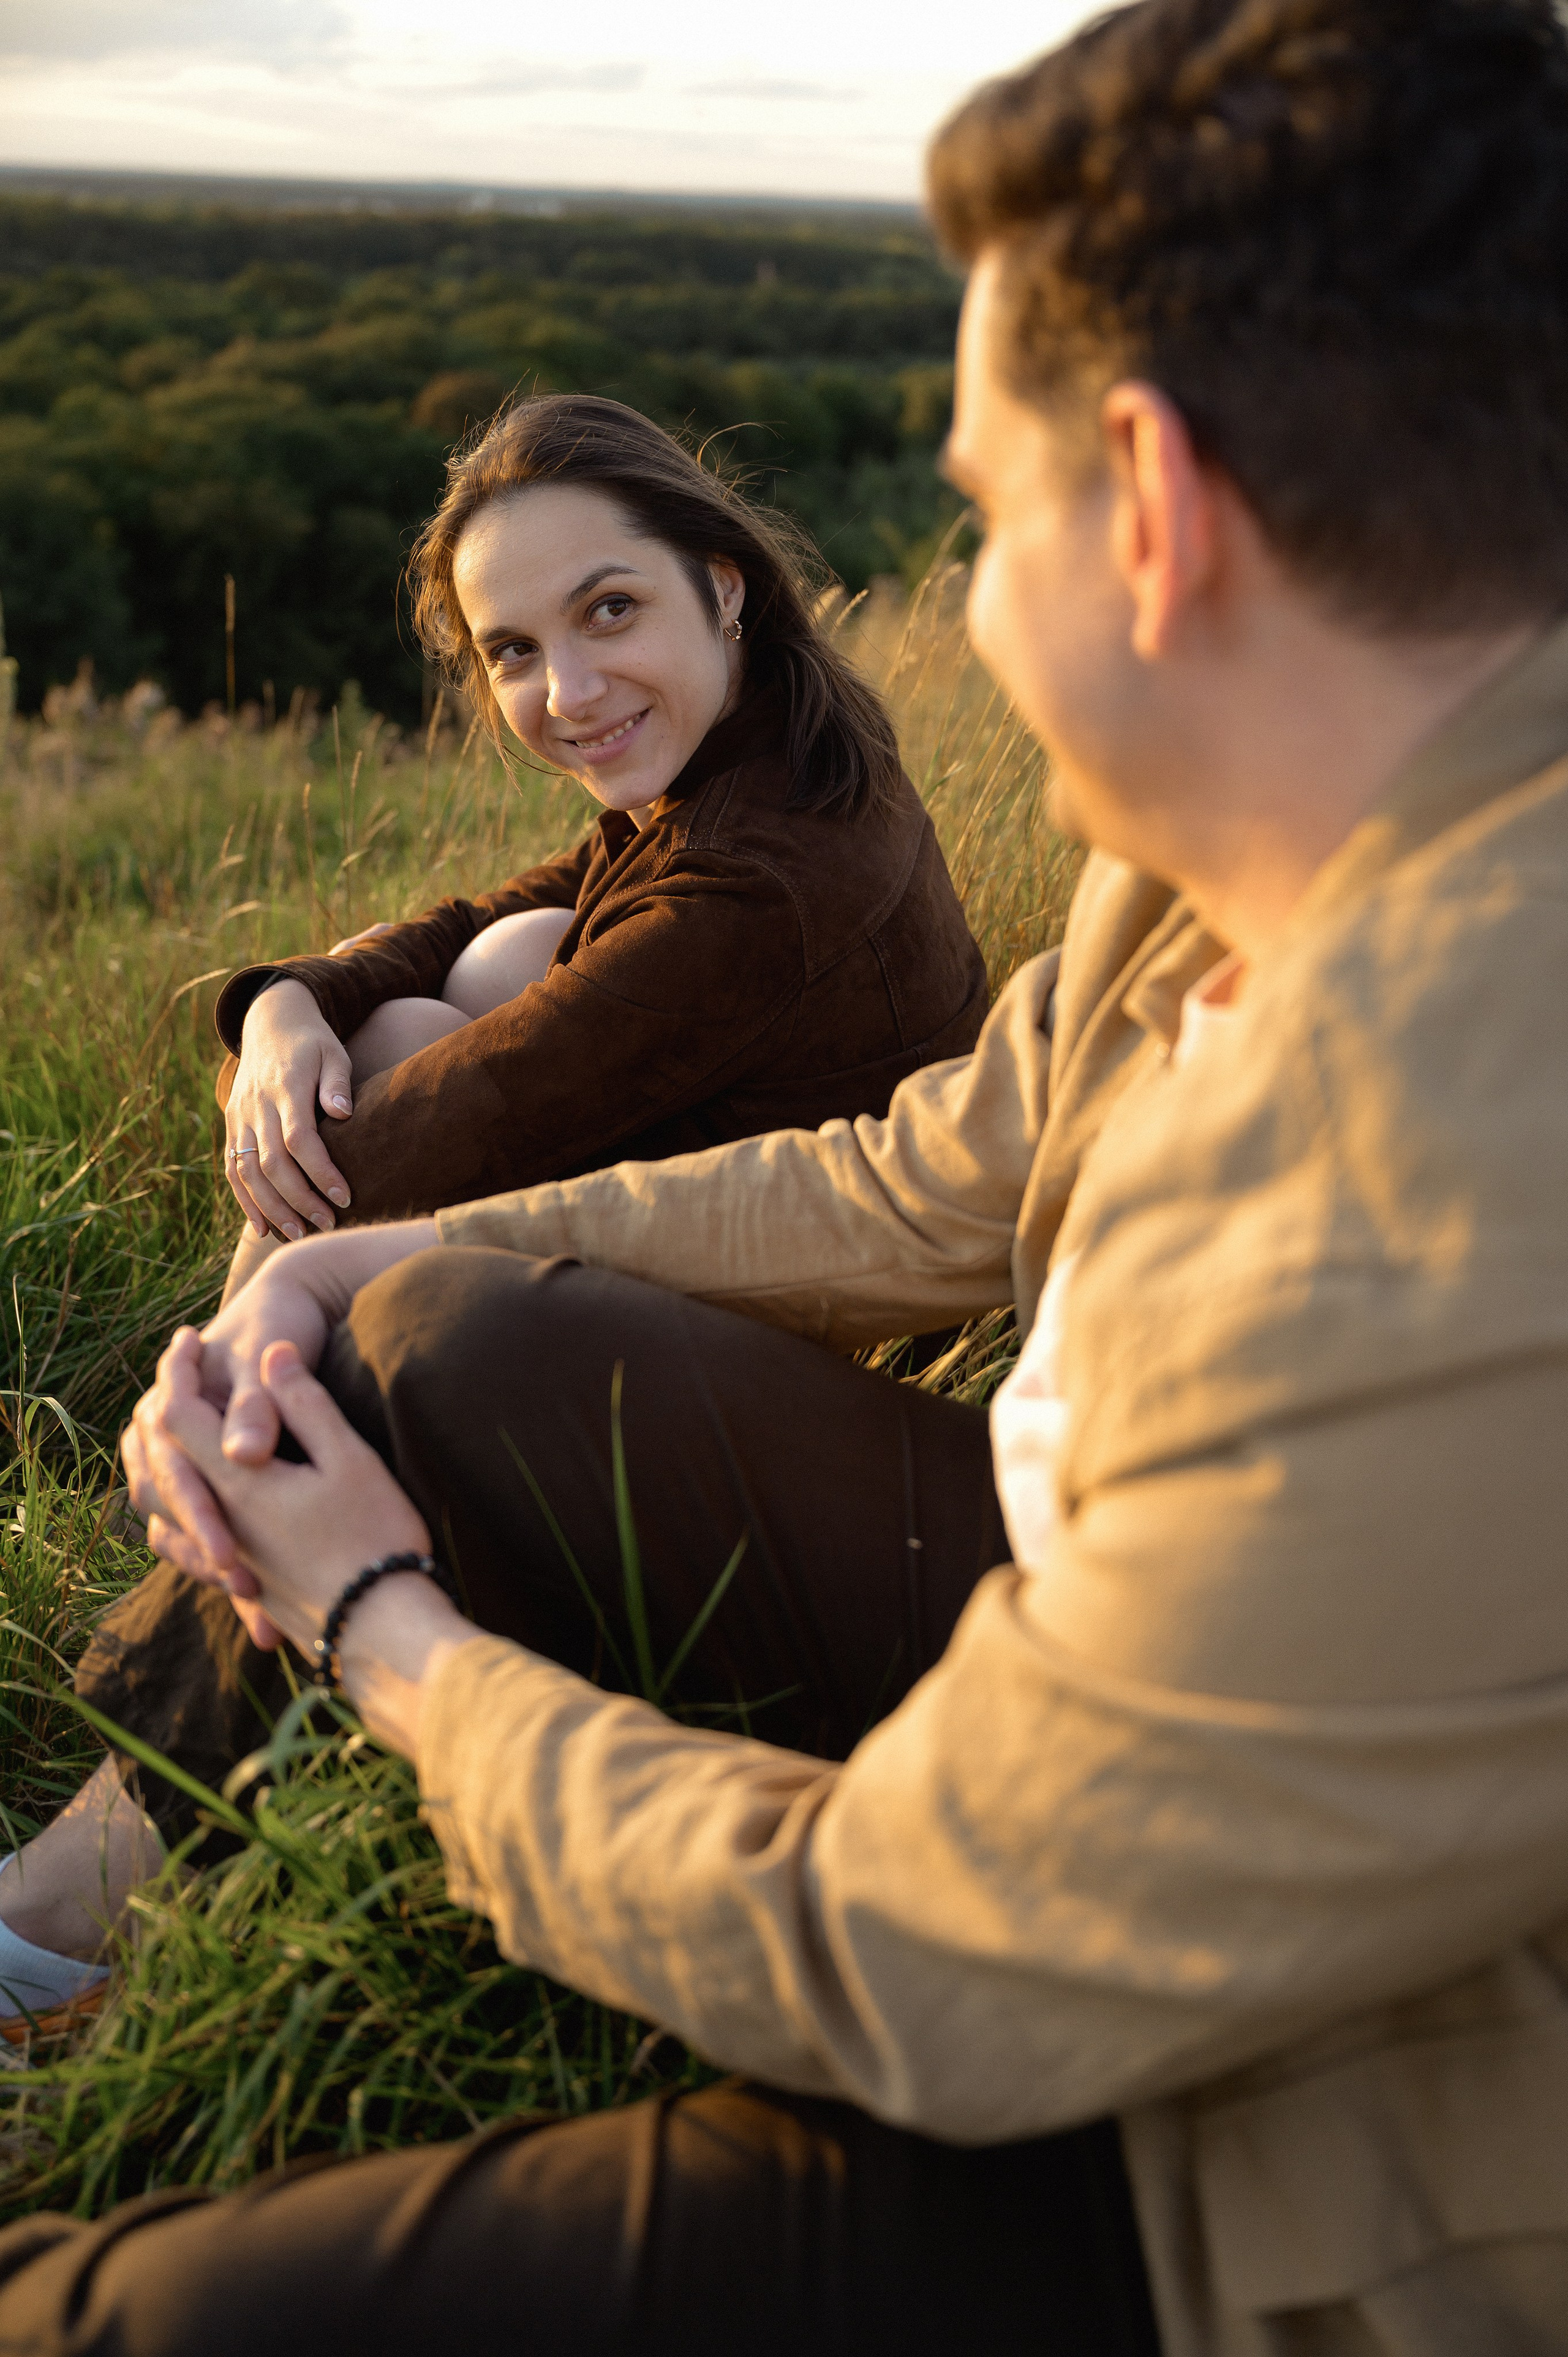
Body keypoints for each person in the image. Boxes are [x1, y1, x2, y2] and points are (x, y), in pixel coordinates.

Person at [6, 0, 1568, 2348]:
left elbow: (930, 1965)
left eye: (982, 502)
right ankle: (50, 1927)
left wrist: (384, 1630)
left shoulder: (1453, 1138)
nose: (973, 585)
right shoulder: (1226, 869)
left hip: (1296, 2130)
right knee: (452, 1320)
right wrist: (406, 1242)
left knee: (101, 2321)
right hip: (1109, 1614)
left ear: (1144, 510)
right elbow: (928, 1172)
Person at [214, 391, 987, 1284]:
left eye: (610, 609)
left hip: (823, 1313)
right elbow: (494, 912)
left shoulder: (754, 883)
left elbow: (364, 1166)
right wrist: (285, 1004)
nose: (568, 693)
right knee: (499, 956)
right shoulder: (772, 742)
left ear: (722, 583)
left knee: (366, 1075)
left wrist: (258, 1082)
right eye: (514, 651)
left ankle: (229, 1391)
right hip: (792, 1212)